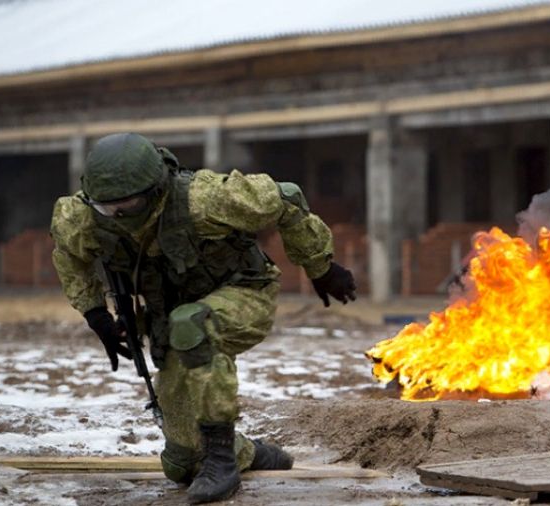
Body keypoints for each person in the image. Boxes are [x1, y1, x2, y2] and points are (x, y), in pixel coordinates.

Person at [50, 132, 356, 504]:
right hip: (174, 319)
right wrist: (95, 313)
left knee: (191, 323)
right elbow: (69, 255)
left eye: (127, 206)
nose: (116, 216)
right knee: (180, 465)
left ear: (155, 191)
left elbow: (285, 196)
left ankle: (222, 460)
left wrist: (319, 266)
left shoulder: (205, 199)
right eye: (106, 208)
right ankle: (251, 453)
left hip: (245, 294)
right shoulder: (81, 217)